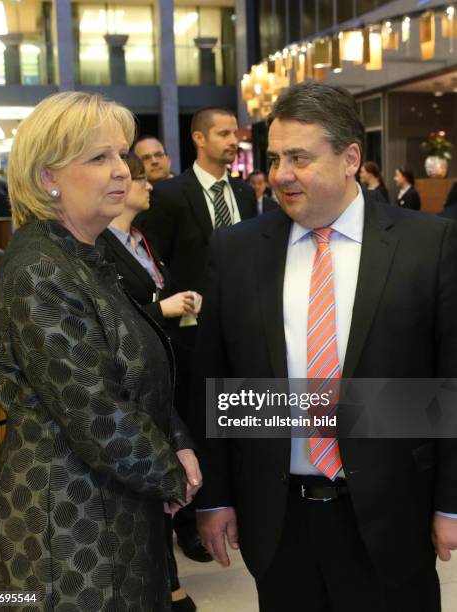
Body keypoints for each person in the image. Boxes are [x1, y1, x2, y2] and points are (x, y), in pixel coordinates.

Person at [191, 81, 457, 612]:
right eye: (274, 158)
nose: (281, 174)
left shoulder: (429, 245)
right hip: (279, 519)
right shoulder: (238, 250)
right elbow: (218, 378)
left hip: (391, 515)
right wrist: (216, 495)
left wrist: (451, 504)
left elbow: (446, 381)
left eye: (299, 157)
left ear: (350, 158)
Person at [0, 91, 202, 612]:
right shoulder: (40, 269)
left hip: (109, 513)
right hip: (59, 535)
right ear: (46, 178)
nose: (121, 171)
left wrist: (177, 439)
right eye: (98, 158)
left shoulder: (89, 253)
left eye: (121, 155)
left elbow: (140, 370)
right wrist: (174, 474)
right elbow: (97, 413)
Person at [137, 106, 257, 563]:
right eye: (224, 133)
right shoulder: (169, 195)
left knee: (238, 415)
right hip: (187, 335)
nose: (233, 141)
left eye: (235, 133)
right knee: (194, 424)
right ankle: (190, 521)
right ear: (199, 139)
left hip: (240, 328)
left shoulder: (244, 193)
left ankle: (238, 505)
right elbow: (153, 263)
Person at [97, 153, 200, 611]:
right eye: (142, 178)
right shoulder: (96, 249)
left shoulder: (142, 238)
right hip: (131, 387)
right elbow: (117, 325)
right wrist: (164, 309)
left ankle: (171, 572)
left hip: (168, 368)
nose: (149, 186)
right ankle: (170, 584)